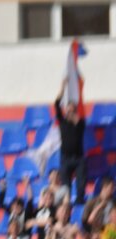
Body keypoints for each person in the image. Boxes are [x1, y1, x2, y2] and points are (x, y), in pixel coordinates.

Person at [55, 78, 87, 207]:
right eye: (68, 110)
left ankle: (80, 204)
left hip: (78, 158)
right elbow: (57, 103)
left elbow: (79, 122)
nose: (69, 112)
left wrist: (73, 114)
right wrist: (62, 87)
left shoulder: (80, 123)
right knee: (65, 187)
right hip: (66, 158)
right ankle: (66, 207)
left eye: (72, 110)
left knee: (81, 185)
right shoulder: (62, 121)